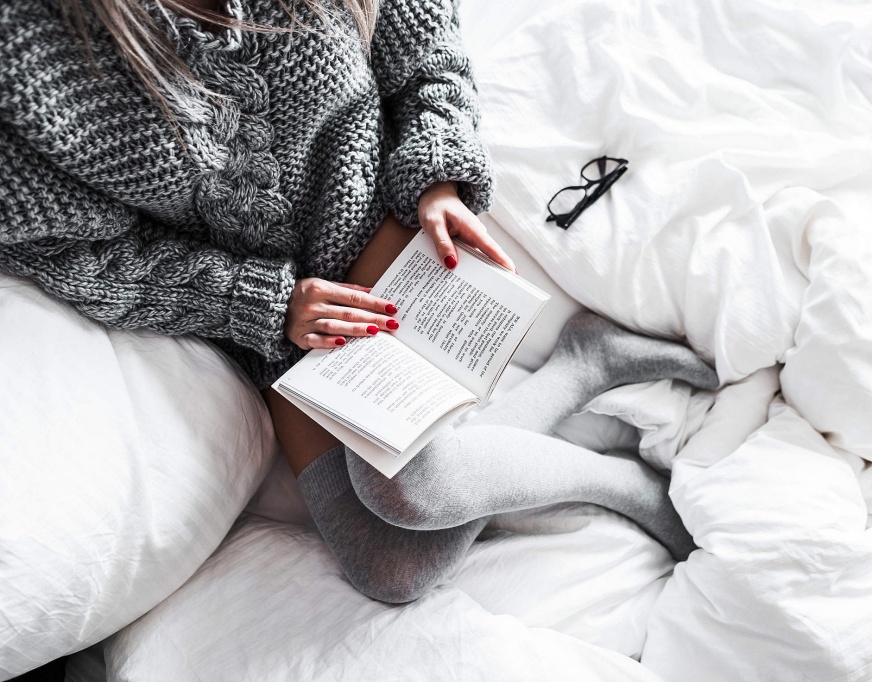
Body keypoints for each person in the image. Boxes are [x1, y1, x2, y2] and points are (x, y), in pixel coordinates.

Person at [0, 0, 719, 603]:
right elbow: (65, 249)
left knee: (412, 487)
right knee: (392, 570)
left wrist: (437, 163)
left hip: (379, 210)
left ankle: (627, 489)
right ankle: (583, 367)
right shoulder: (23, 49)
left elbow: (418, 13)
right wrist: (259, 303)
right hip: (279, 307)